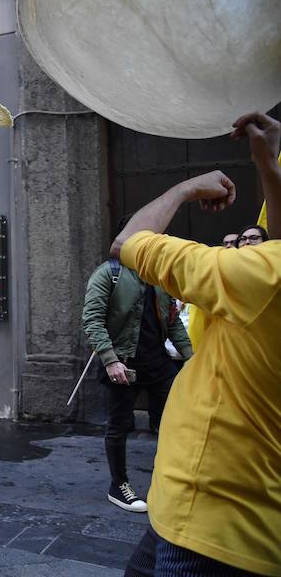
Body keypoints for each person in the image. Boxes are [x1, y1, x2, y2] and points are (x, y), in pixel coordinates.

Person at [115, 112, 280, 576]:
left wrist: (186, 188)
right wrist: (268, 166)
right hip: (229, 513)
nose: (252, 236)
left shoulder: (256, 276)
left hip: (210, 524)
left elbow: (128, 239)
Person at [81, 224, 192, 513]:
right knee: (119, 425)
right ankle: (119, 485)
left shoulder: (159, 278)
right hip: (123, 363)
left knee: (171, 422)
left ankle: (170, 483)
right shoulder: (109, 273)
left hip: (158, 363)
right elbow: (92, 320)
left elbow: (172, 322)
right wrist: (110, 359)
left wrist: (192, 356)